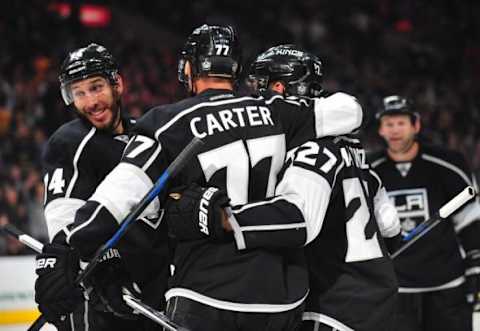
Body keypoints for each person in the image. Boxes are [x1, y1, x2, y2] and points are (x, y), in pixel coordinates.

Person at [60, 25, 364, 331]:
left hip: (204, 293)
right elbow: (350, 110)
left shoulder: (166, 122)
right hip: (280, 297)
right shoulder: (277, 112)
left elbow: (115, 199)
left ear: (190, 67)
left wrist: (69, 247)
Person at [167, 44, 401, 331]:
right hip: (381, 297)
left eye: (261, 85)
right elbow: (390, 224)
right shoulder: (355, 149)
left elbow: (301, 218)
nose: (256, 94)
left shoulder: (311, 149)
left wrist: (222, 218)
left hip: (334, 306)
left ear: (279, 86)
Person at [36, 43, 169, 331]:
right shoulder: (71, 140)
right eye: (79, 93)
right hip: (99, 303)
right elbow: (64, 220)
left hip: (152, 299)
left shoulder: (144, 136)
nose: (90, 101)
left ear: (117, 84)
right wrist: (106, 270)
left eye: (96, 87)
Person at [369, 95, 480, 331]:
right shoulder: (369, 170)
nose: (395, 130)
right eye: (389, 124)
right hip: (397, 291)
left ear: (415, 125)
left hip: (447, 287)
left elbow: (470, 220)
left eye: (401, 123)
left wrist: (476, 268)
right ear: (380, 129)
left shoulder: (448, 164)